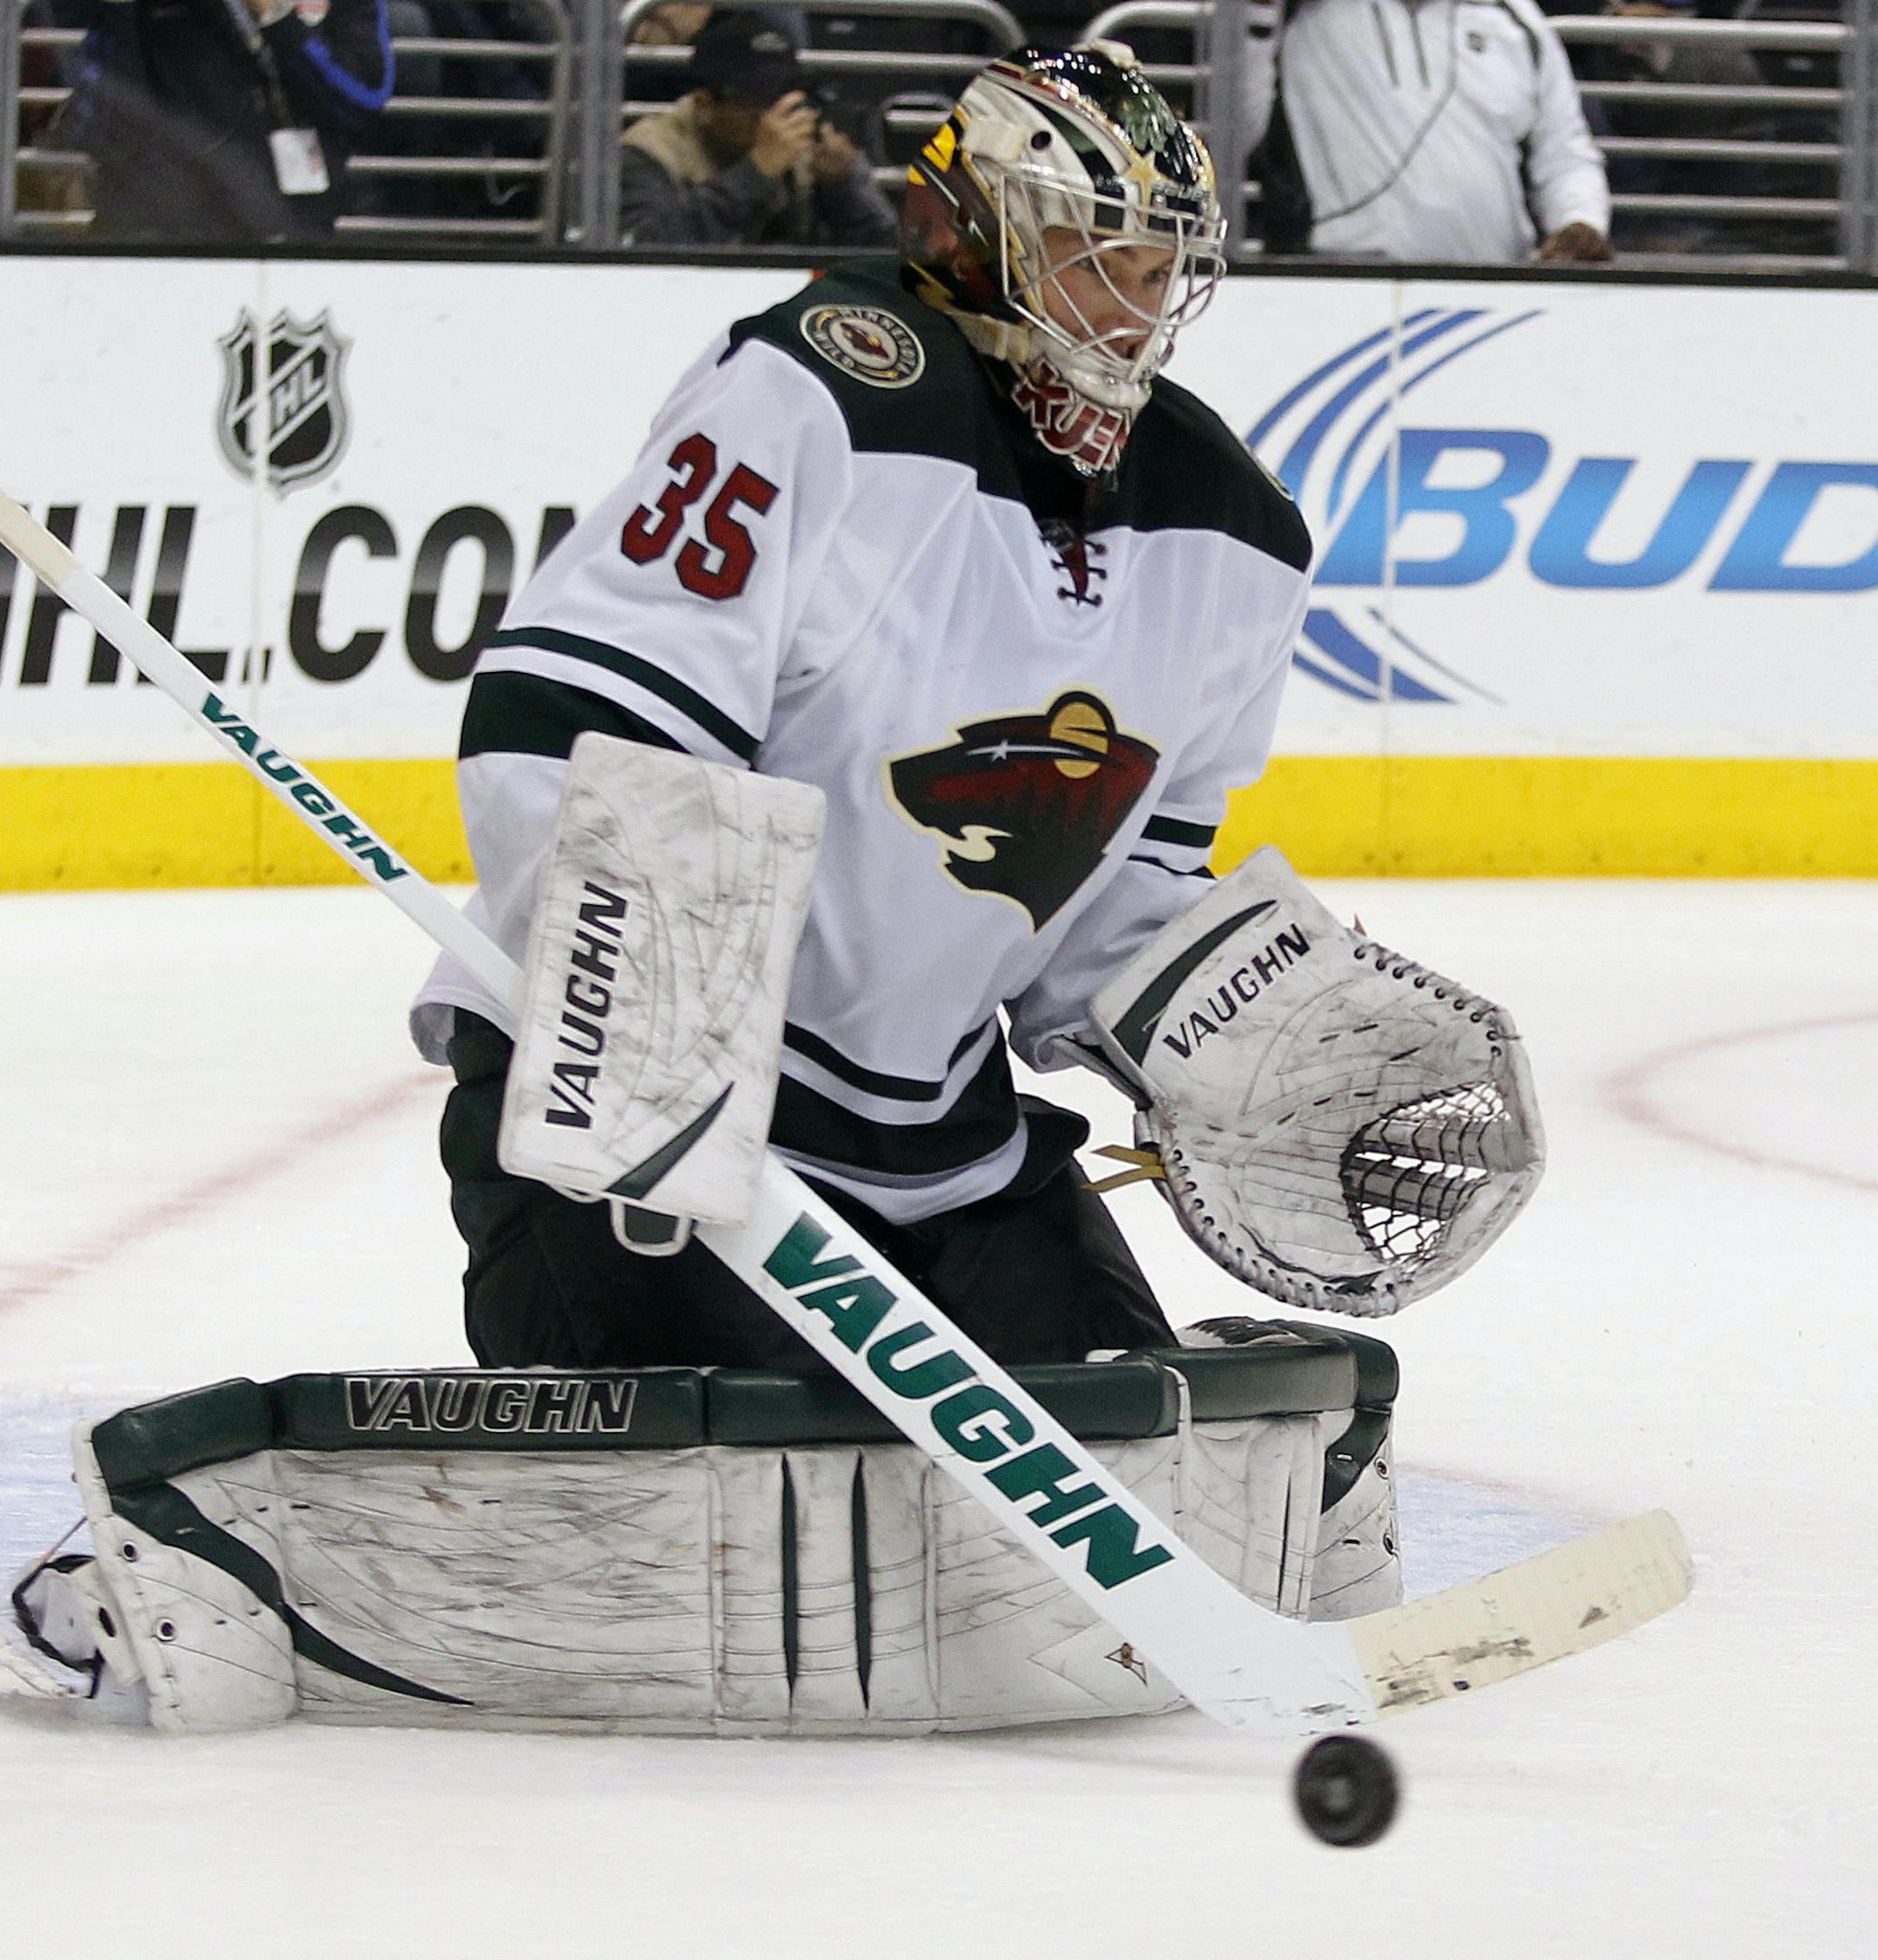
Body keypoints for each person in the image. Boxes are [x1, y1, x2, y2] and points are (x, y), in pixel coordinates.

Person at [411, 41, 1315, 1372]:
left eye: (1162, 265)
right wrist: (657, 1061)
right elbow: (576, 714)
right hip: (641, 1132)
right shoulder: (817, 393)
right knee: (730, 1528)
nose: (1137, 305)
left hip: (946, 1150)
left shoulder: (1234, 532)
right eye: (1096, 255)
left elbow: (1113, 900)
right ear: (972, 231)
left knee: (1137, 1464)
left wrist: (1221, 1045)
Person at [1269, 0, 1613, 263]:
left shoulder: (1514, 16)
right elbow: (1243, 125)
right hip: (1332, 280)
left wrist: (1580, 221)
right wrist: (1256, 18)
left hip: (1495, 284)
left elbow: (1565, 152)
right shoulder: (1303, 14)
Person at [59, 0, 393, 241]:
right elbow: (105, 104)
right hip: (165, 225)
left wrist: (277, 19)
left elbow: (361, 99)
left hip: (298, 225)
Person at [619, 7, 897, 248]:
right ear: (704, 104)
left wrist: (841, 189)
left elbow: (887, 254)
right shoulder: (651, 151)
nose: (774, 116)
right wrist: (755, 173)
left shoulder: (808, 142)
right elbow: (645, 251)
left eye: (784, 94)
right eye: (756, 100)